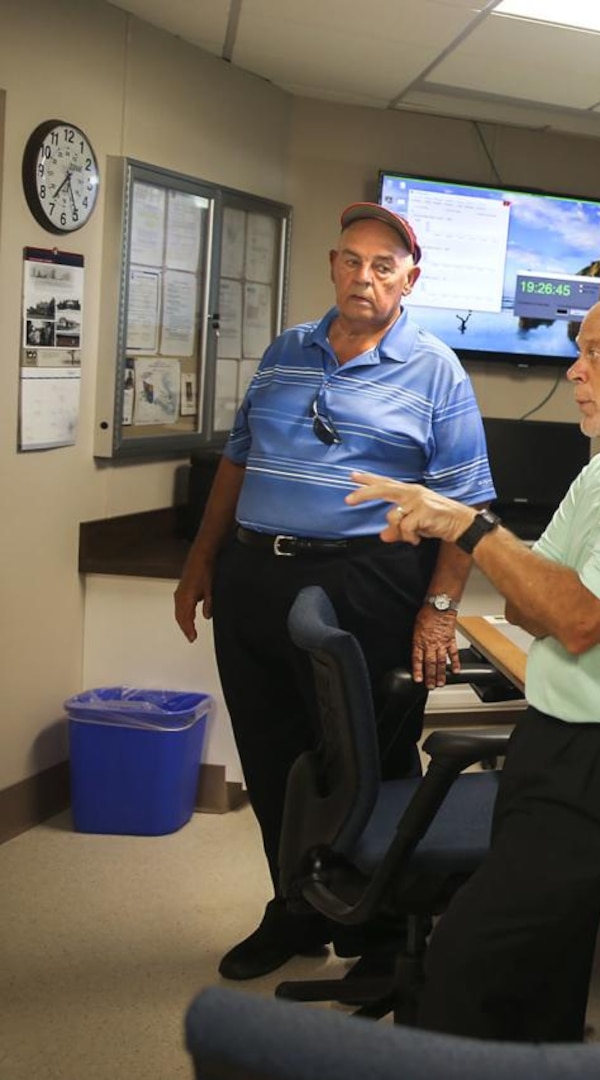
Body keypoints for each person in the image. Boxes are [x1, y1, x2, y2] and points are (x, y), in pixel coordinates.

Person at [347, 294, 600, 1041]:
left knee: (468, 960)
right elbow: (531, 605)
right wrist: (594, 617)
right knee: (543, 967)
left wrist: (471, 528)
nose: (574, 370)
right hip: (560, 736)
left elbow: (564, 612)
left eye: (595, 353)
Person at [173, 203, 496, 981]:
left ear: (410, 280)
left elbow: (468, 507)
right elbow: (239, 461)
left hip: (368, 581)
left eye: (384, 266)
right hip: (256, 574)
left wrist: (438, 610)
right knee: (276, 752)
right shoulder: (286, 351)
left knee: (371, 760)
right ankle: (297, 910)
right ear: (331, 265)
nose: (364, 277)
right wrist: (201, 558)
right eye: (352, 260)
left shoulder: (435, 371)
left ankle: (381, 931)